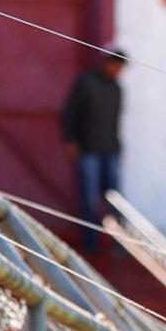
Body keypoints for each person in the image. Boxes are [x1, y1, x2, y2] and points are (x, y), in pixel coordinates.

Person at [59, 47, 127, 250]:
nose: (117, 70)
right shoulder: (86, 82)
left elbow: (115, 123)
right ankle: (90, 244)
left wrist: (118, 148)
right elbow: (69, 113)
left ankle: (119, 244)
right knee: (89, 199)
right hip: (88, 149)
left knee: (115, 199)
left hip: (110, 150)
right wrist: (70, 140)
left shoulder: (116, 89)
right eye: (115, 65)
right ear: (106, 63)